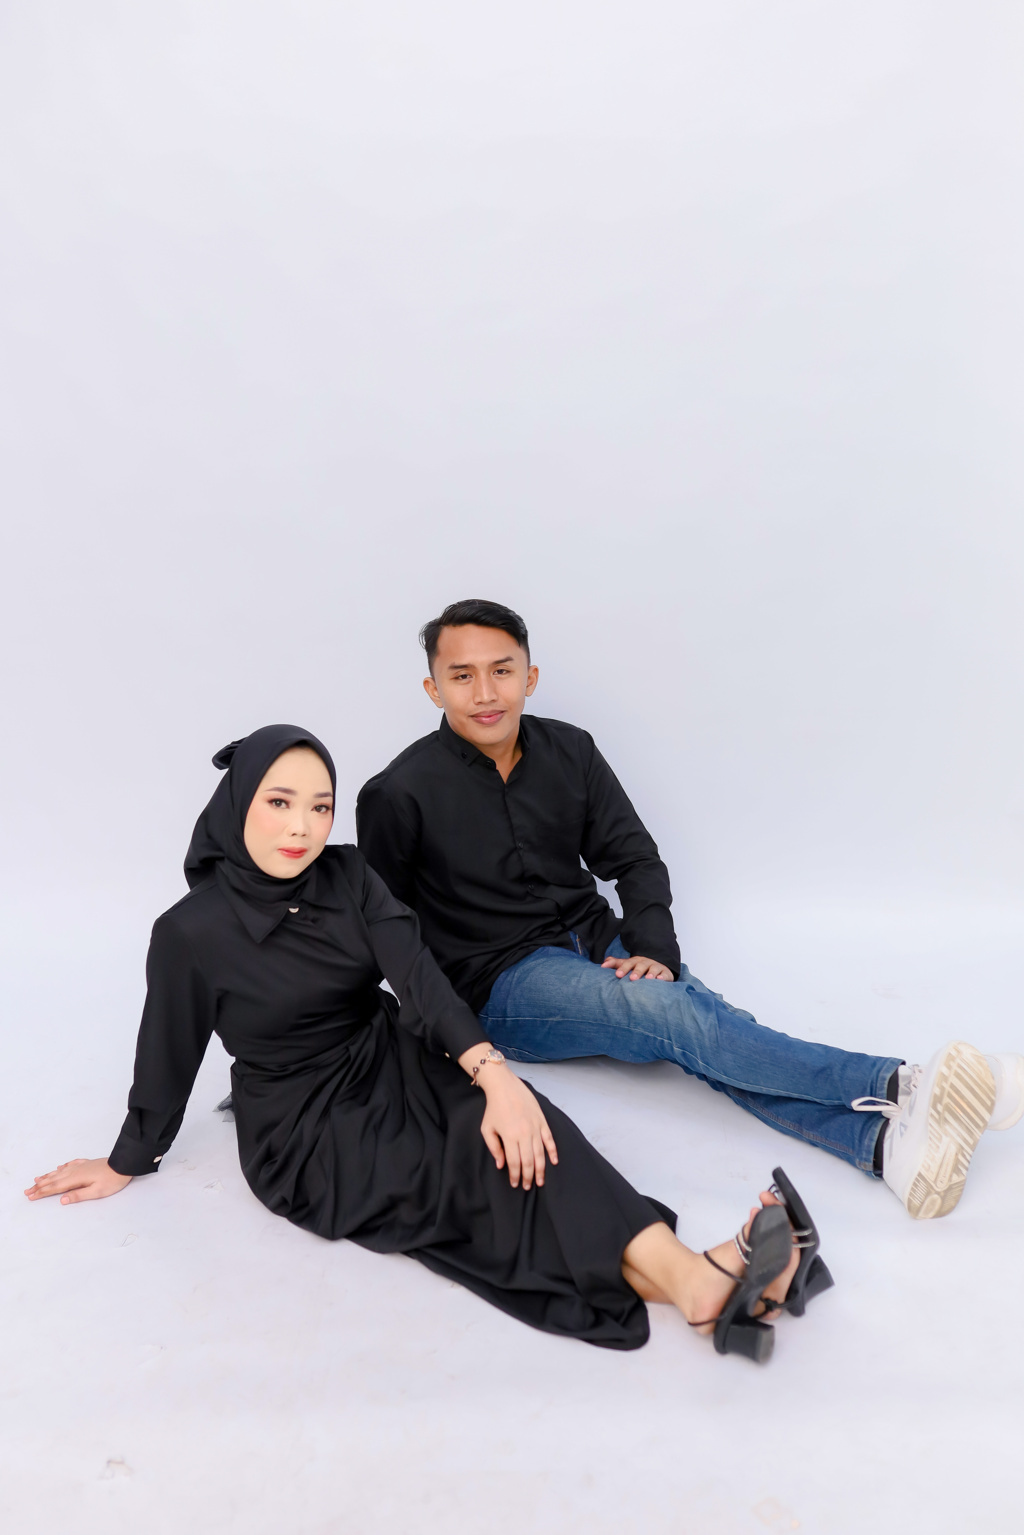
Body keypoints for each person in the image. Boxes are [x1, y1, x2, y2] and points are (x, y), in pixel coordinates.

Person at [25, 724, 820, 1362]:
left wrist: (496, 1076)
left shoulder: (347, 875)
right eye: (280, 802)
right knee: (469, 1179)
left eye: (320, 806)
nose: (302, 826)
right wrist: (127, 1159)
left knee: (532, 1130)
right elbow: (166, 1057)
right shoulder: (188, 932)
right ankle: (701, 1279)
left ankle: (695, 1281)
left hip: (391, 1053)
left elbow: (420, 979)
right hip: (306, 1125)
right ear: (237, 804)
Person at [356, 599, 1024, 1222]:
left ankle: (886, 1151)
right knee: (680, 1017)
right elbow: (390, 937)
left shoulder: (571, 750)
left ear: (530, 677)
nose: (484, 692)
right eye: (462, 675)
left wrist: (653, 947)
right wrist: (451, 1043)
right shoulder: (397, 793)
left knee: (707, 1027)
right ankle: (902, 1082)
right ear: (433, 689)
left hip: (594, 936)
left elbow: (634, 856)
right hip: (501, 983)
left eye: (501, 671)